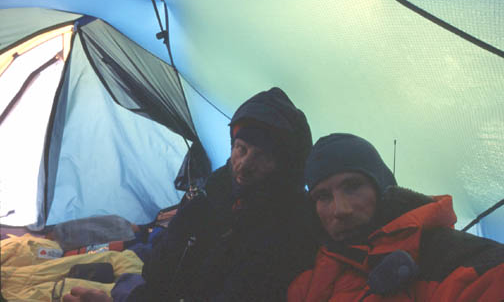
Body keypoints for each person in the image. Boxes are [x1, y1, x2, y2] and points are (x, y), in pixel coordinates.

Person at [65, 87, 318, 301]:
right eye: (241, 149)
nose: (244, 164)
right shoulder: (213, 195)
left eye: (261, 156)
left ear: (285, 166)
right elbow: (162, 278)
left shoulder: (290, 227)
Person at [288, 133, 504, 302]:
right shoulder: (310, 273)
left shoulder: (449, 257)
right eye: (323, 196)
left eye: (353, 186)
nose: (340, 210)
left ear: (383, 190)